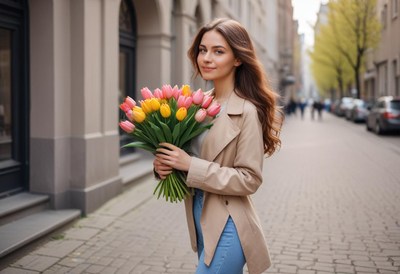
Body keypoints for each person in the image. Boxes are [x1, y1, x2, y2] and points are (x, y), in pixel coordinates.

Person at [153, 18, 283, 274]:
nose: (207, 58)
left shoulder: (246, 111)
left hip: (229, 221)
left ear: (237, 59)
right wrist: (163, 166)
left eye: (218, 51)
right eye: (203, 50)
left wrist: (190, 165)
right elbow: (184, 159)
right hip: (199, 217)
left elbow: (250, 179)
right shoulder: (194, 105)